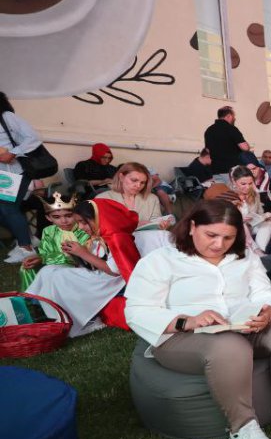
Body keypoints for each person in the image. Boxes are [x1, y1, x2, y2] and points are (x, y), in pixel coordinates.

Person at [125, 200, 271, 439]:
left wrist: (267, 310)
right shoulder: (160, 261)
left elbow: (263, 292)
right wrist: (186, 320)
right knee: (229, 347)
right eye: (211, 235)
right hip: (181, 338)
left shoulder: (244, 258)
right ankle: (242, 429)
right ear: (192, 227)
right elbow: (136, 310)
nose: (218, 244)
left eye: (228, 237)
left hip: (241, 327)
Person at [22, 195, 133, 335]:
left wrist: (82, 253)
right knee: (48, 270)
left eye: (83, 222)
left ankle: (88, 319)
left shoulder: (115, 238)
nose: (80, 227)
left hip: (111, 280)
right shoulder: (99, 234)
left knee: (60, 277)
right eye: (79, 222)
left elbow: (114, 271)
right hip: (95, 272)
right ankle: (44, 309)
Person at [0, 91, 45, 264]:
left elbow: (34, 138)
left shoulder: (7, 117)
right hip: (2, 174)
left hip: (14, 171)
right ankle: (28, 239)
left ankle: (26, 248)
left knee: (8, 208)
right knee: (4, 209)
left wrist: (13, 152)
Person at [95, 162, 173, 256]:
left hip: (147, 241)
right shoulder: (103, 198)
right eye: (134, 180)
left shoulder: (152, 198)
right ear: (121, 177)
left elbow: (155, 221)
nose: (138, 185)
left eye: (142, 182)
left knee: (166, 235)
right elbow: (101, 228)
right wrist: (134, 225)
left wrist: (160, 225)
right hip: (116, 244)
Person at [203, 106, 251, 178]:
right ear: (228, 116)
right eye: (233, 116)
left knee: (220, 189)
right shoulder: (231, 129)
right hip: (231, 172)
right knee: (231, 189)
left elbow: (207, 151)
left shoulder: (209, 130)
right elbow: (245, 148)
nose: (235, 118)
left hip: (215, 171)